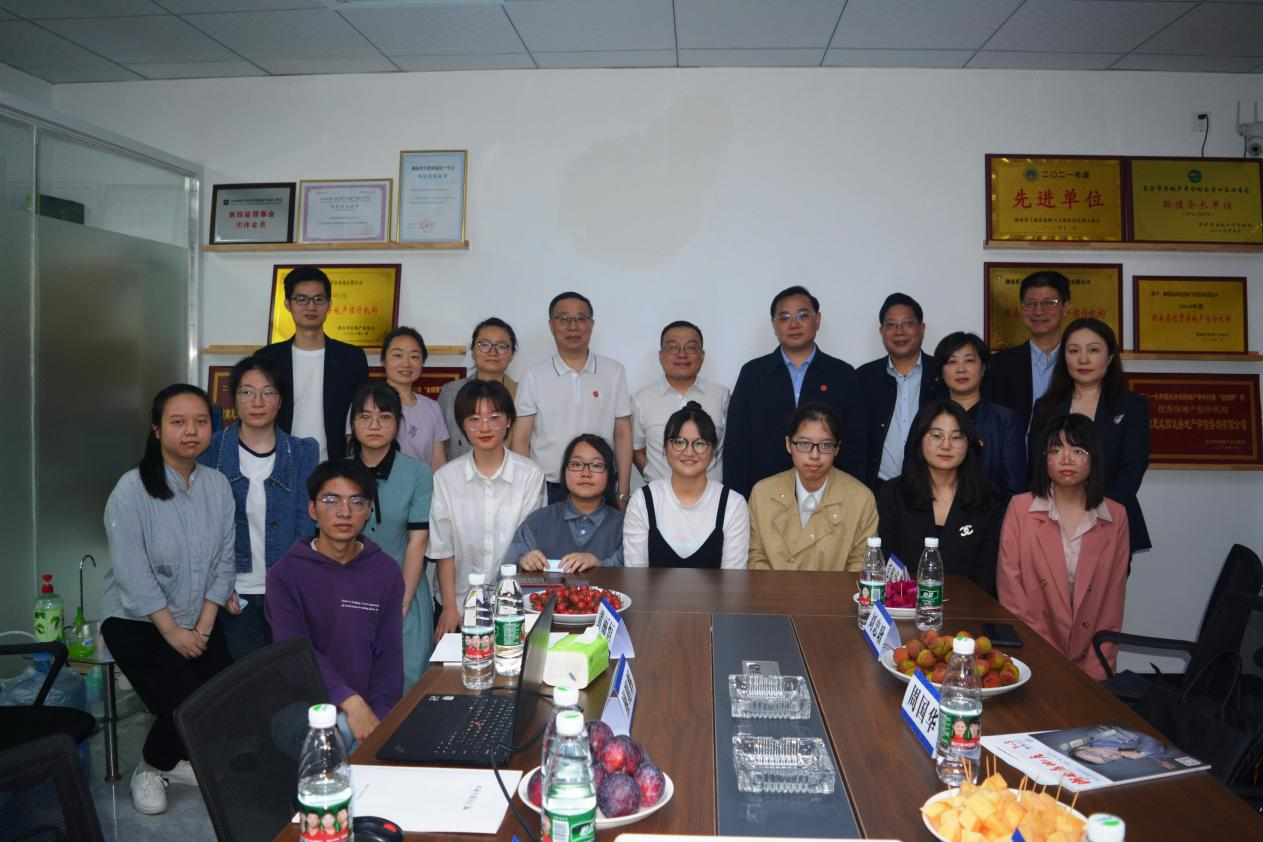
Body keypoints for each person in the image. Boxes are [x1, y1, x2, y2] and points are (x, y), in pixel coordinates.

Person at [100, 384, 235, 816]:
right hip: (137, 621)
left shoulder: (217, 485)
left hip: (199, 617)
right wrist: (173, 632)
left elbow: (225, 561)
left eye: (201, 422)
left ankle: (171, 762)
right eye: (178, 422)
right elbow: (132, 572)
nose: (191, 431)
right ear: (157, 430)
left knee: (222, 699)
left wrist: (204, 626)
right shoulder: (131, 489)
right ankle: (150, 768)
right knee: (184, 704)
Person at [267, 460, 403, 751]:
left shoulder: (386, 571)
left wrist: (380, 721)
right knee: (335, 732)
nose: (344, 512)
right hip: (303, 706)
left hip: (366, 707)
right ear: (312, 509)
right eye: (331, 501)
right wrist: (350, 702)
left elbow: (389, 661)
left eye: (357, 502)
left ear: (369, 511)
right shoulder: (285, 574)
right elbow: (296, 655)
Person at [197, 355, 319, 660]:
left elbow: (306, 525)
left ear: (280, 400)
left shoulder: (303, 452)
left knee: (292, 675)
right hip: (231, 594)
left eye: (268, 392)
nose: (257, 401)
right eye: (247, 392)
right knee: (249, 680)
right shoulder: (210, 450)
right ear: (234, 399)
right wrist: (219, 586)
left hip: (287, 590)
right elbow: (202, 527)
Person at [998, 414, 1129, 679]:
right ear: (1044, 458)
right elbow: (1011, 593)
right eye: (1056, 450)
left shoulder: (1115, 516)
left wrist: (1097, 674)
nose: (1066, 459)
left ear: (1094, 458)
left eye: (1078, 451)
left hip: (1090, 656)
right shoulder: (1020, 508)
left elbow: (1111, 605)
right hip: (1032, 653)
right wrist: (1041, 658)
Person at [724, 285, 867, 497]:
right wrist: (737, 500)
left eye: (802, 315)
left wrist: (851, 496)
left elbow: (855, 444)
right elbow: (737, 444)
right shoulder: (753, 374)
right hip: (765, 495)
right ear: (774, 325)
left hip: (829, 493)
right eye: (784, 317)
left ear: (817, 320)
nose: (793, 324)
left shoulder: (842, 374)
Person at [430, 379, 545, 636]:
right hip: (458, 603)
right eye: (474, 419)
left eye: (494, 417)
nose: (484, 427)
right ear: (462, 424)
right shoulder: (446, 478)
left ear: (509, 421)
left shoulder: (530, 476)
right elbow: (443, 549)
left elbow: (529, 544)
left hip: (514, 605)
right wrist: (449, 607)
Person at [1029, 318, 1151, 555]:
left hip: (1110, 518)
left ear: (1110, 356)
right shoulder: (1046, 406)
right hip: (1053, 520)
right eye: (1074, 351)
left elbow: (1133, 468)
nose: (1083, 359)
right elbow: (1037, 463)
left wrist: (1095, 512)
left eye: (1093, 350)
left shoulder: (1131, 406)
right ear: (1064, 357)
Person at [347, 383, 435, 689]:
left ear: (398, 424)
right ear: (353, 423)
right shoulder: (337, 473)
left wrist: (403, 603)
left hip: (404, 590)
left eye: (384, 417)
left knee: (407, 682)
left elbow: (417, 542)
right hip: (349, 595)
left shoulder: (418, 473)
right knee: (354, 684)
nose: (374, 425)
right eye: (365, 417)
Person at [511, 292, 632, 507]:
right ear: (551, 325)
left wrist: (623, 490)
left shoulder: (614, 372)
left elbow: (623, 434)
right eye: (563, 319)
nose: (573, 326)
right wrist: (524, 491)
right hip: (547, 489)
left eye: (580, 318)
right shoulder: (534, 376)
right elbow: (521, 439)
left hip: (601, 485)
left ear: (591, 324)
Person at [877, 401, 1006, 594]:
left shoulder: (988, 498)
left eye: (956, 437)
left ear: (968, 443)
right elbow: (888, 561)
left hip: (968, 606)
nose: (946, 445)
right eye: (936, 436)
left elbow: (986, 572)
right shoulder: (893, 494)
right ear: (920, 439)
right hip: (904, 603)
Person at [747, 403, 878, 571]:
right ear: (788, 444)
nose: (814, 455)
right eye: (804, 444)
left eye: (825, 445)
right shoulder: (762, 494)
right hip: (773, 588)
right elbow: (755, 559)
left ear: (837, 449)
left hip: (836, 589)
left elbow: (860, 567)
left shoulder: (861, 499)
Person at [256, 267, 369, 460]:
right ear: (287, 304)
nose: (311, 306)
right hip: (277, 462)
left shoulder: (351, 358)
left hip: (334, 465)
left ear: (329, 304)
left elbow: (360, 415)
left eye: (319, 299)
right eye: (301, 299)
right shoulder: (266, 359)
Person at [624, 402, 750, 568]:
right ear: (666, 447)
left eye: (700, 444)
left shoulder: (733, 504)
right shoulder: (642, 500)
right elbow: (635, 575)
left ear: (713, 450)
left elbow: (733, 578)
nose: (689, 452)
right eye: (679, 442)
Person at [857, 293, 939, 491]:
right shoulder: (863, 378)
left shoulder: (942, 374)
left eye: (907, 324)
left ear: (922, 329)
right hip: (878, 488)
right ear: (882, 331)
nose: (899, 331)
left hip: (933, 486)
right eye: (891, 325)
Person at [631, 320, 730, 483]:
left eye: (691, 347)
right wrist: (654, 480)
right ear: (661, 356)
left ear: (702, 355)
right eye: (673, 347)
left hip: (712, 494)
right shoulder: (641, 400)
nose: (682, 354)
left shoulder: (722, 396)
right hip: (659, 496)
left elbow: (731, 447)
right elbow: (637, 449)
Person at [509, 434, 625, 573]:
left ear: (609, 474)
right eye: (577, 464)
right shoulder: (538, 521)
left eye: (596, 465)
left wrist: (600, 565)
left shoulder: (626, 525)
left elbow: (636, 574)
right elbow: (506, 572)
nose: (586, 473)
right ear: (564, 471)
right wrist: (523, 562)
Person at [933, 332, 1027, 497]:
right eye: (952, 361)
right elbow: (914, 475)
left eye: (969, 360)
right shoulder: (928, 417)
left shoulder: (1005, 420)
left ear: (983, 368)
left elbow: (1014, 488)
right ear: (941, 371)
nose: (961, 369)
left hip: (991, 511)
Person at [984, 270, 1071, 430]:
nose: (1038, 311)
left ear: (1065, 308)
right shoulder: (999, 365)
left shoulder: (1079, 363)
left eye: (1048, 303)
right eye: (1030, 304)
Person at [437, 317, 519, 461]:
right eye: (484, 345)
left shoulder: (522, 394)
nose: (493, 352)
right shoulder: (451, 392)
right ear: (473, 351)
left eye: (501, 346)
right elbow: (439, 446)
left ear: (511, 354)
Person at [378, 326, 447, 470]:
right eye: (398, 355)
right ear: (383, 360)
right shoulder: (367, 403)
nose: (406, 363)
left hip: (422, 484)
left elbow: (438, 464)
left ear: (422, 362)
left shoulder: (432, 408)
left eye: (414, 356)